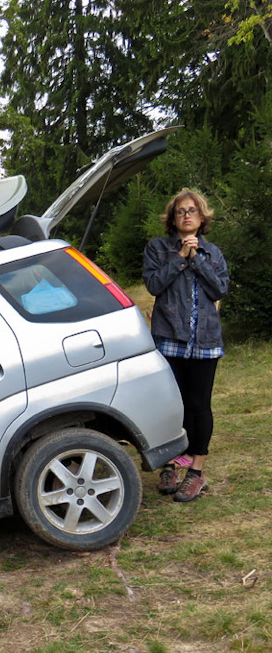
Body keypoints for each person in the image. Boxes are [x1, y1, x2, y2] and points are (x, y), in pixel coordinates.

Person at [143, 189, 229, 502]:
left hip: (204, 341)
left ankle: (196, 471)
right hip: (169, 339)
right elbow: (153, 284)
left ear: (202, 217)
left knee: (198, 404)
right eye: (181, 211)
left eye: (192, 210)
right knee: (170, 405)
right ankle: (170, 464)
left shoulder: (213, 252)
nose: (187, 215)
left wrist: (196, 258)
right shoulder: (158, 248)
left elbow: (219, 289)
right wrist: (180, 257)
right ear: (173, 218)